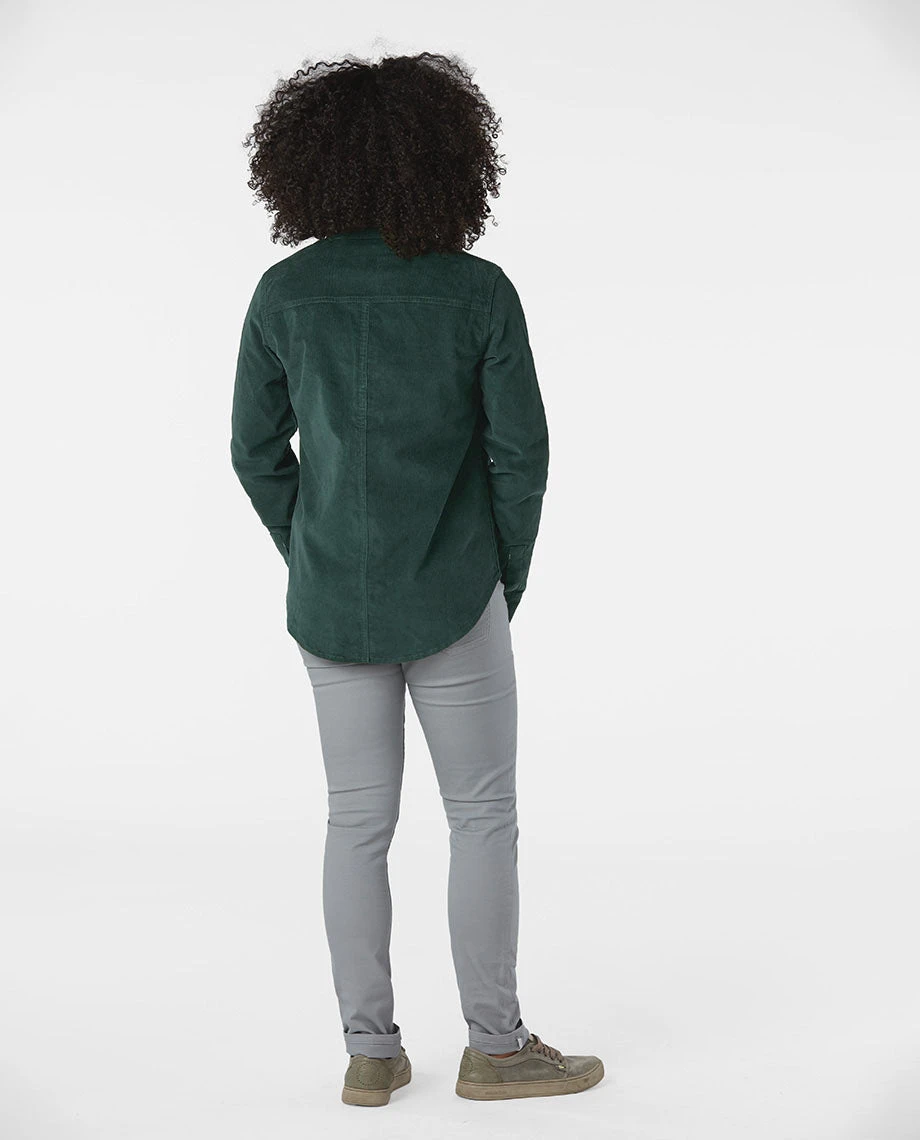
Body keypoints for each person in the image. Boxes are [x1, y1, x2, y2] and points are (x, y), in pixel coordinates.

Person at [230, 51, 603, 1106]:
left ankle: (370, 1054)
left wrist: (310, 548)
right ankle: (497, 1048)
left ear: (306, 165)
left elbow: (253, 451)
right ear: (448, 158)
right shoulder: (475, 291)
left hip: (329, 601)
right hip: (455, 594)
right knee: (480, 816)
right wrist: (501, 577)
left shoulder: (284, 293)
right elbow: (520, 456)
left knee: (356, 823)